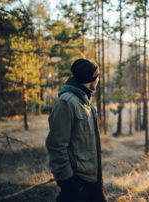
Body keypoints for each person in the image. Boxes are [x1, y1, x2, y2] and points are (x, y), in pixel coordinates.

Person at [46, 58, 107, 202]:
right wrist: (68, 180)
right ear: (92, 78)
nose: (98, 79)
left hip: (92, 178)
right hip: (77, 182)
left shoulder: (85, 102)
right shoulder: (67, 102)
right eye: (97, 76)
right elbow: (56, 144)